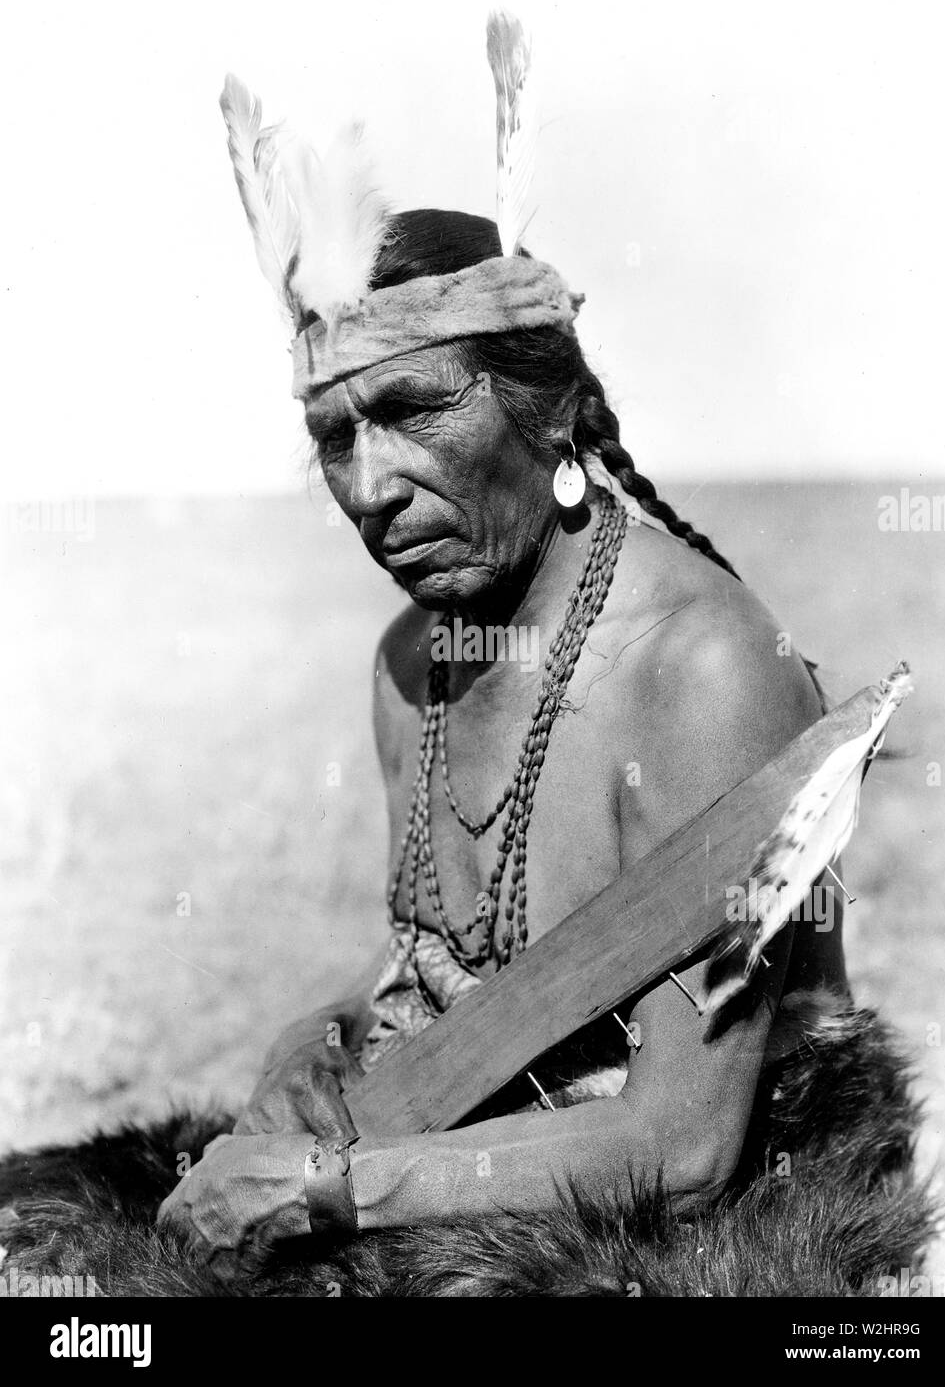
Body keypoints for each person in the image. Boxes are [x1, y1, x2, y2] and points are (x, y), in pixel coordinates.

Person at [157, 196, 845, 1268]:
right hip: (452, 1148)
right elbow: (458, 963)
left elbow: (686, 1145)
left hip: (685, 1222)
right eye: (335, 437)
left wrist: (329, 1191)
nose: (372, 487)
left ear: (552, 413)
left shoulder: (702, 675)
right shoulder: (407, 661)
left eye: (413, 409)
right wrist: (323, 1030)